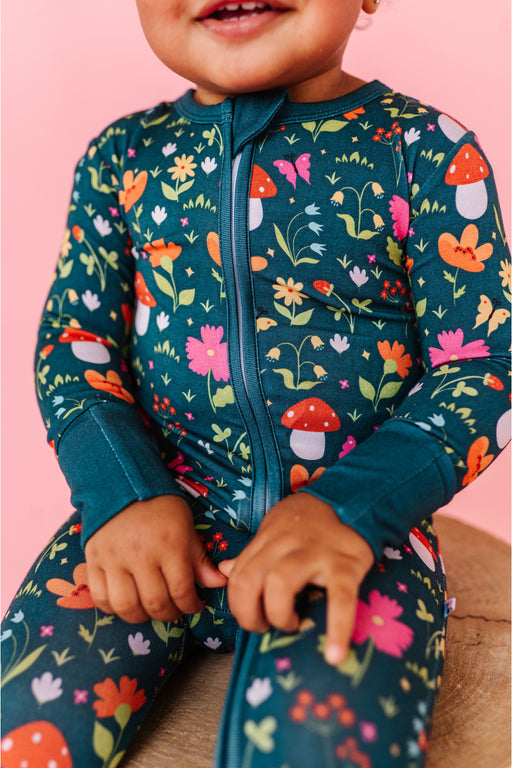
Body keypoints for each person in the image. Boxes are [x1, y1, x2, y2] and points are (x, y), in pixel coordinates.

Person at [1, 1, 510, 766]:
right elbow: (74, 348)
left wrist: (347, 509)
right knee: (22, 733)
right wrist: (125, 493)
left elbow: (482, 366)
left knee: (323, 746)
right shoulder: (120, 161)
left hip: (362, 539)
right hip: (148, 521)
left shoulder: (427, 153)